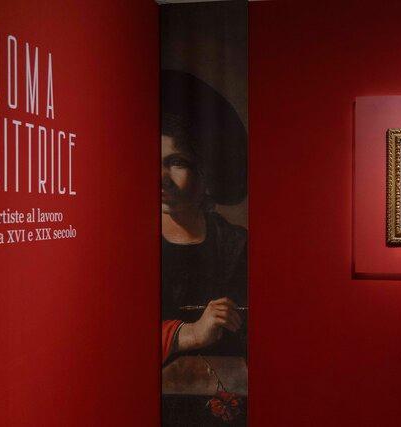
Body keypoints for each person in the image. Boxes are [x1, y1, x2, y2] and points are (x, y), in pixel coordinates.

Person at [160, 70, 248, 426]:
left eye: (177, 162)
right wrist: (189, 333)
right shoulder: (126, 248)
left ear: (206, 172)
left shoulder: (237, 245)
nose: (161, 178)